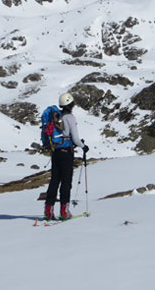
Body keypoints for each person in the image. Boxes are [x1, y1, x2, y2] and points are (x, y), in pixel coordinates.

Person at [44, 92, 89, 220]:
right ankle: (64, 212)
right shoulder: (70, 117)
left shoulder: (58, 116)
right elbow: (75, 138)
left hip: (55, 152)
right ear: (70, 103)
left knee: (54, 181)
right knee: (66, 182)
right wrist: (83, 146)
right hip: (66, 153)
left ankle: (48, 211)